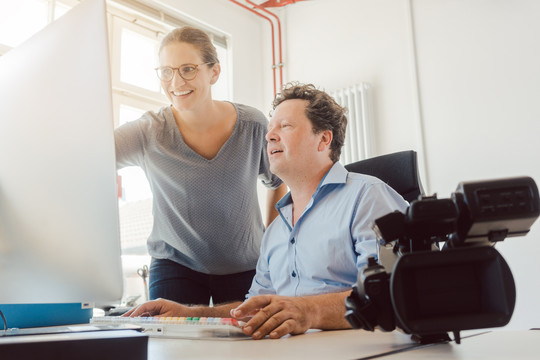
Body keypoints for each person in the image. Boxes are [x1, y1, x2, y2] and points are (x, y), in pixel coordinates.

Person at [124, 83, 408, 340]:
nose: (269, 135)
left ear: (323, 140)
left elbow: (392, 291)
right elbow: (253, 309)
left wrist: (309, 311)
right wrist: (186, 314)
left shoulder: (367, 197)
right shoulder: (275, 231)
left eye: (285, 126)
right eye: (271, 128)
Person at [114, 26, 287, 305]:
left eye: (188, 69)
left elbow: (277, 182)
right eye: (166, 71)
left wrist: (272, 247)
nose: (176, 81)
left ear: (214, 72)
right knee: (173, 345)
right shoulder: (147, 131)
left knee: (249, 345)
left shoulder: (252, 125)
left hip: (245, 266)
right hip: (175, 265)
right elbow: (92, 157)